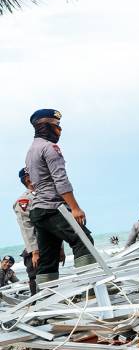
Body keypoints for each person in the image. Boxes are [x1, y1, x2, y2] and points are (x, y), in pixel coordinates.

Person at [24, 109, 96, 285]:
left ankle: (47, 301)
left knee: (48, 258)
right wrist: (75, 208)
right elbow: (60, 179)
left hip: (38, 210)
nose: (60, 130)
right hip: (52, 207)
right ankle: (93, 289)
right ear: (44, 126)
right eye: (56, 125)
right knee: (83, 240)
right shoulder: (49, 148)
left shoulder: (31, 150)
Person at [13, 168, 39, 294]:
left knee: (50, 278)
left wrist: (60, 247)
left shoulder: (44, 195)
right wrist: (35, 251)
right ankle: (37, 307)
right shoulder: (24, 200)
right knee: (36, 280)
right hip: (36, 249)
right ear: (28, 178)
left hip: (50, 245)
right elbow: (26, 227)